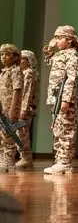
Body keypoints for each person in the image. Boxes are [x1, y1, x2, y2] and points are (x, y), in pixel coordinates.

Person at [43, 25, 78, 174]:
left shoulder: (72, 56)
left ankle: (65, 162)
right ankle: (59, 159)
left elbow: (71, 79)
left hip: (65, 98)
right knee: (58, 129)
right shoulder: (60, 55)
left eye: (59, 38)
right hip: (56, 97)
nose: (56, 41)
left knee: (66, 129)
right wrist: (51, 48)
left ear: (69, 40)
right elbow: (49, 62)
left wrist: (66, 100)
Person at [0, 44, 23, 172]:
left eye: (7, 54)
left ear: (15, 57)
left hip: (9, 107)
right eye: (2, 54)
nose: (3, 57)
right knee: (1, 134)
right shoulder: (4, 71)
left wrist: (14, 108)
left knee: (8, 133)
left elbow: (17, 90)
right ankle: (3, 157)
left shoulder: (16, 71)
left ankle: (9, 160)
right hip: (2, 107)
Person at [17, 50, 38, 169]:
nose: (20, 61)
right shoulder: (21, 72)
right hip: (18, 107)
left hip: (25, 108)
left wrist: (24, 109)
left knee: (22, 132)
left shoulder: (29, 73)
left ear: (28, 61)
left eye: (23, 58)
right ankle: (23, 156)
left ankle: (26, 157)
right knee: (18, 132)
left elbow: (27, 92)